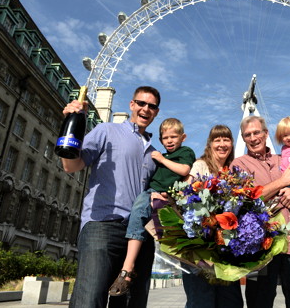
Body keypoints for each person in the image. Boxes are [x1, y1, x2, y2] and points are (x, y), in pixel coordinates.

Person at [61, 86, 160, 308]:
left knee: (130, 303)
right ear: (132, 105)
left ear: (156, 112)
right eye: (141, 103)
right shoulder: (106, 130)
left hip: (139, 235)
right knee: (89, 299)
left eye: (151, 106)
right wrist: (70, 125)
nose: (146, 109)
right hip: (103, 225)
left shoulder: (155, 154)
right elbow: (71, 164)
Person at [231, 115, 290, 308]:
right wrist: (283, 182)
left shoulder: (284, 158)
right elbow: (247, 199)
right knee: (259, 301)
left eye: (256, 132)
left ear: (266, 133)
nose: (253, 138)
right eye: (247, 135)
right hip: (260, 248)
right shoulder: (239, 165)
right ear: (243, 139)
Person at [108, 118, 195, 296]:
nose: (169, 141)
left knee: (139, 209)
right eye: (165, 138)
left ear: (183, 137)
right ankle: (129, 263)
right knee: (138, 214)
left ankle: (128, 266)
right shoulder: (164, 155)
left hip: (160, 193)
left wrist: (162, 159)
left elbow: (184, 171)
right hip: (154, 192)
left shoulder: (185, 152)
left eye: (173, 136)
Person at [180, 125, 244, 308]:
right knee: (201, 300)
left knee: (230, 301)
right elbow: (185, 196)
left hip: (226, 252)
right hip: (200, 251)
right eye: (217, 140)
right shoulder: (200, 165)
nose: (222, 144)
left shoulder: (234, 171)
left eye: (226, 139)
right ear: (210, 144)